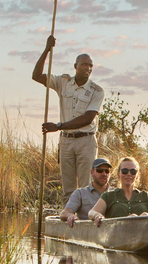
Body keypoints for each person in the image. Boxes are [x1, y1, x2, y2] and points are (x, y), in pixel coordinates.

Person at [32, 35, 105, 197]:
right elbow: (36, 76)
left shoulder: (97, 91)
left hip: (86, 141)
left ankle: (86, 221)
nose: (88, 68)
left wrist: (58, 126)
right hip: (66, 142)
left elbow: (88, 118)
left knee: (87, 189)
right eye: (84, 64)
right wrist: (46, 50)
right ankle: (68, 219)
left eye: (91, 65)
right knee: (68, 190)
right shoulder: (63, 82)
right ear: (75, 66)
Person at [88, 157, 148, 226]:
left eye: (133, 171)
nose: (129, 174)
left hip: (143, 236)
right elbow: (92, 212)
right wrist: (97, 215)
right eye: (125, 171)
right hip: (118, 237)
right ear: (118, 174)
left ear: (137, 176)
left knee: (145, 215)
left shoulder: (146, 196)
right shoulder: (109, 196)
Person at [60, 157, 112, 227]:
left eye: (107, 171)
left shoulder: (116, 193)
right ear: (91, 172)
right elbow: (64, 213)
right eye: (99, 170)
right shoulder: (80, 193)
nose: (104, 174)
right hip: (86, 233)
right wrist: (70, 216)